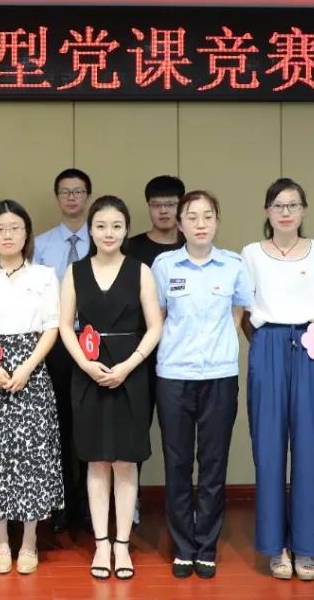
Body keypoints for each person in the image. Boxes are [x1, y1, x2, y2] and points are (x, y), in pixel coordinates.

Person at [240, 177, 314, 581]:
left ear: (303, 210)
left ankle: (306, 547)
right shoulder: (251, 253)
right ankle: (275, 547)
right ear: (266, 211)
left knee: (311, 447)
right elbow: (244, 313)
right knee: (268, 448)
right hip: (268, 343)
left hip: (312, 347)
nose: (285, 212)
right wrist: (265, 345)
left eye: (293, 205)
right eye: (277, 205)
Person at [59, 195, 163, 580]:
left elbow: (155, 326)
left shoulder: (140, 271)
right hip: (88, 371)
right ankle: (101, 544)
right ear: (90, 230)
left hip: (130, 372)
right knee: (96, 460)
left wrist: (130, 364)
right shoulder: (75, 272)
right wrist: (85, 364)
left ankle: (122, 544)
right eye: (101, 226)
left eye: (116, 226)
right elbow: (64, 325)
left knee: (125, 460)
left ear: (126, 230)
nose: (109, 233)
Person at [150, 190, 252, 579]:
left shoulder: (233, 265)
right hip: (174, 375)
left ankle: (206, 546)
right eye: (191, 217)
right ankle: (183, 546)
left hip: (219, 376)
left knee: (213, 463)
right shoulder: (164, 266)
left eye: (208, 216)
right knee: (177, 463)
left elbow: (238, 311)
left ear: (217, 221)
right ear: (179, 224)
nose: (200, 224)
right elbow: (157, 316)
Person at [0, 199, 63, 575]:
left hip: (31, 370)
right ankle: (1, 540)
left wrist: (27, 367)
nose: (7, 235)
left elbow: (52, 327)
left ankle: (30, 541)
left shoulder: (45, 275)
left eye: (15, 228)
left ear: (26, 233)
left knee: (32, 456)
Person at [34, 168, 92, 533]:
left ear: (88, 196)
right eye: (65, 192)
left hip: (93, 341)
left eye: (78, 191)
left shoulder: (102, 239)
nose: (72, 198)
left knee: (88, 424)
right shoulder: (40, 244)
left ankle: (86, 506)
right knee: (57, 425)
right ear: (57, 198)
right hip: (54, 342)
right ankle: (59, 505)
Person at [126, 174, 185, 525]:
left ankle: (180, 505)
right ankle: (130, 500)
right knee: (135, 429)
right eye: (156, 205)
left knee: (179, 436)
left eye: (170, 205)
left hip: (181, 356)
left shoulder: (193, 245)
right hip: (140, 355)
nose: (163, 211)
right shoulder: (131, 248)